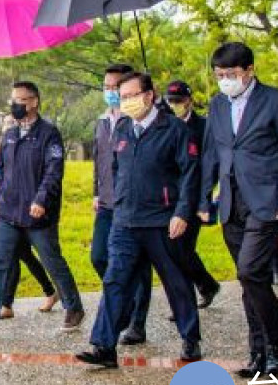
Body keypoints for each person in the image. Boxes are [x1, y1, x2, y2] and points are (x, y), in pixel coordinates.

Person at [77, 72, 203, 368]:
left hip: (161, 220)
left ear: (149, 95)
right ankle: (104, 346)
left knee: (175, 281)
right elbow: (118, 170)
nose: (127, 102)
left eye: (133, 95)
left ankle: (190, 337)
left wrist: (182, 212)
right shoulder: (122, 129)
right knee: (115, 281)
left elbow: (190, 174)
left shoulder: (173, 129)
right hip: (125, 221)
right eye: (123, 97)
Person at [200, 42, 278, 378]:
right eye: (219, 75)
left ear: (249, 71)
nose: (225, 80)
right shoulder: (216, 105)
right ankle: (258, 351)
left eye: (231, 74)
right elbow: (211, 154)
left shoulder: (276, 101)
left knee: (249, 271)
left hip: (266, 201)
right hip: (230, 201)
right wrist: (203, 199)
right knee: (249, 280)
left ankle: (275, 342)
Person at [0, 81, 85, 338]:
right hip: (8, 213)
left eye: (21, 100)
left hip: (37, 214)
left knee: (52, 261)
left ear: (34, 102)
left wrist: (41, 200)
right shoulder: (8, 135)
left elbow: (54, 173)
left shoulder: (49, 134)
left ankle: (73, 307)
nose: (15, 105)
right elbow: (3, 173)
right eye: (13, 99)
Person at [91, 64, 153, 345]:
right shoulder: (103, 122)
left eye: (116, 87)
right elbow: (99, 160)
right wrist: (96, 191)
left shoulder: (136, 122)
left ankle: (136, 322)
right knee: (98, 256)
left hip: (134, 205)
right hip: (106, 202)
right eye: (106, 87)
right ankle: (122, 304)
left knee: (138, 267)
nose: (111, 92)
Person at [164, 80, 221, 309]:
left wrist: (203, 200)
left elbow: (209, 164)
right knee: (176, 250)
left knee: (181, 249)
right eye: (171, 101)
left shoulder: (204, 127)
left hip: (195, 197)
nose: (175, 105)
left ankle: (186, 301)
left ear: (189, 101)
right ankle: (206, 284)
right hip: (170, 197)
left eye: (178, 101)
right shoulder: (165, 125)